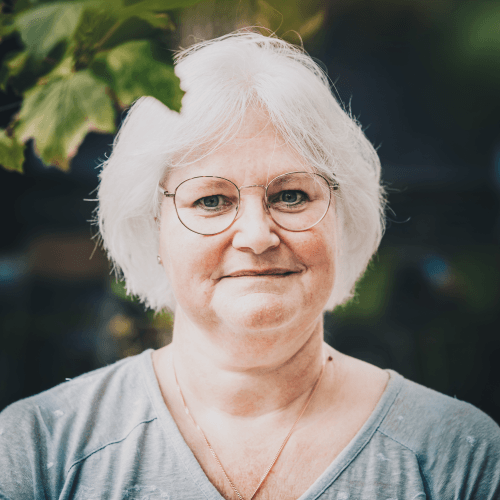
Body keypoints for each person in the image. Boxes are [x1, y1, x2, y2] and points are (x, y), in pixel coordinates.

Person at [0, 31, 499, 500]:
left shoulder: (459, 456)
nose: (258, 236)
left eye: (291, 195)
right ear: (153, 230)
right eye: (211, 200)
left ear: (342, 219)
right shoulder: (38, 451)